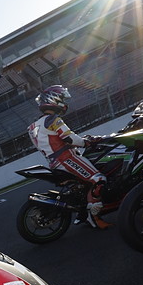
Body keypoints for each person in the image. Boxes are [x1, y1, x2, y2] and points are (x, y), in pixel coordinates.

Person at [28, 85, 112, 229]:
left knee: (83, 187)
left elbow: (53, 141)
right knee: (99, 180)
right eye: (63, 99)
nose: (65, 103)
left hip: (54, 162)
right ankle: (94, 217)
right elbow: (70, 139)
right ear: (54, 100)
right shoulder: (53, 120)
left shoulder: (33, 126)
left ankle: (82, 214)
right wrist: (87, 142)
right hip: (67, 158)